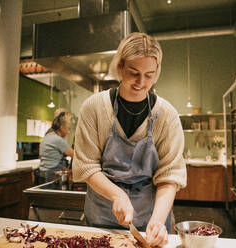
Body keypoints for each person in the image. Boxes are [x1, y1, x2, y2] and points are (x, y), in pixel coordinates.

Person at [72, 32, 186, 247]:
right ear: (120, 66)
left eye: (149, 75)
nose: (141, 83)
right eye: (134, 72)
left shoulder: (166, 114)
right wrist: (117, 194)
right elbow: (86, 166)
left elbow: (170, 175)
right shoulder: (94, 107)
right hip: (102, 216)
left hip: (151, 217)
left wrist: (158, 221)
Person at [38, 111, 74, 184]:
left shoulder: (48, 136)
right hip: (51, 175)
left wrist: (67, 170)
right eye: (68, 128)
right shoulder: (58, 140)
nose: (68, 132)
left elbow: (52, 161)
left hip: (42, 173)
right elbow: (76, 156)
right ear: (62, 127)